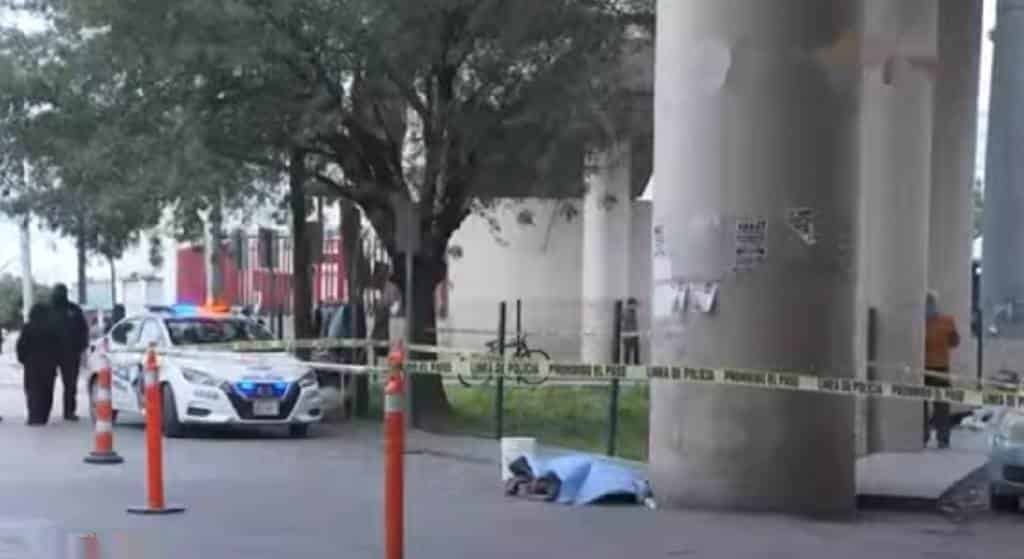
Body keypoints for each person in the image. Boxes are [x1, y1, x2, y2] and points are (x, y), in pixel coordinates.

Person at [924, 290, 960, 449]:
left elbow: (954, 342)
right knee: (921, 404)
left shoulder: (946, 321)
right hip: (922, 369)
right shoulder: (918, 322)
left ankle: (943, 438)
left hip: (940, 368)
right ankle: (923, 436)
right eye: (927, 302)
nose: (928, 305)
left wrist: (953, 335)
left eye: (930, 302)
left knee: (942, 405)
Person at [49, 284, 90, 421]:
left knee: (71, 384)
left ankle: (69, 411)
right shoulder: (48, 309)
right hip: (50, 353)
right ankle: (43, 410)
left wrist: (82, 347)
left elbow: (83, 329)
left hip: (71, 352)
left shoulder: (74, 309)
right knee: (46, 384)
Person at [17, 303, 59, 426]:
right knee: (47, 390)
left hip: (32, 364)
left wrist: (23, 359)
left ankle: (34, 416)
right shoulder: (52, 328)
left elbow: (21, 345)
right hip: (49, 364)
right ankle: (44, 415)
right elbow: (58, 346)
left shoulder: (28, 327)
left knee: (32, 390)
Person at [621, 298, 641, 365]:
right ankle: (628, 364)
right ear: (630, 305)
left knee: (636, 350)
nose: (635, 307)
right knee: (628, 352)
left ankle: (636, 363)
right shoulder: (626, 312)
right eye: (634, 305)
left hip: (633, 335)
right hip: (628, 336)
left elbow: (634, 324)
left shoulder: (633, 312)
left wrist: (637, 333)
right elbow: (626, 325)